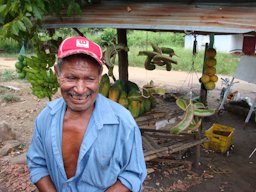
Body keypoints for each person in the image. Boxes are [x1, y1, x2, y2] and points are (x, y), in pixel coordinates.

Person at [26, 36, 147, 192]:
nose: (80, 89)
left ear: (99, 76)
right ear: (57, 73)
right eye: (71, 77)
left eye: (89, 79)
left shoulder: (123, 122)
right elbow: (38, 164)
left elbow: (132, 174)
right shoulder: (46, 118)